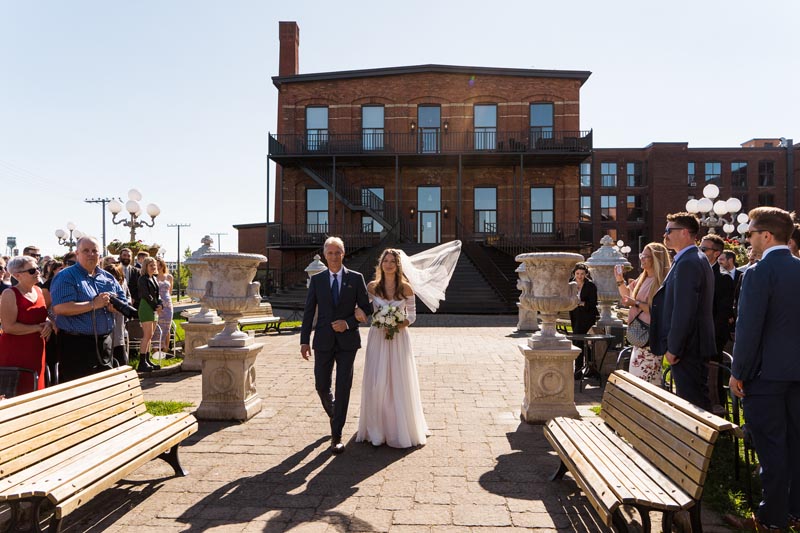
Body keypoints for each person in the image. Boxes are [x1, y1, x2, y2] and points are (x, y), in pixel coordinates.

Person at [729, 207, 800, 531]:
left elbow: (749, 329)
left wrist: (738, 371)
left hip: (765, 378)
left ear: (767, 235)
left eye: (751, 233)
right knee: (796, 446)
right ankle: (795, 512)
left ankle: (771, 518)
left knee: (771, 450)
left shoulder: (758, 273)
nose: (748, 239)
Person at [300, 237, 371, 454]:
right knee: (321, 385)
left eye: (337, 252)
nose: (333, 257)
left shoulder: (356, 279)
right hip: (322, 341)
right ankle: (335, 414)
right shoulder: (318, 280)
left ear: (343, 254)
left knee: (343, 387)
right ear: (324, 255)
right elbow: (309, 310)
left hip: (348, 342)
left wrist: (348, 323)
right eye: (329, 253)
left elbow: (367, 309)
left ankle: (336, 435)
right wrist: (304, 340)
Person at [356, 250, 423, 448]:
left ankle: (398, 429)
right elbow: (363, 309)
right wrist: (360, 312)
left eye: (393, 261)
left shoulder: (407, 289)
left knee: (398, 381)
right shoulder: (372, 287)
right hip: (378, 337)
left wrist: (397, 324)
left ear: (398, 265)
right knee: (378, 381)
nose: (389, 264)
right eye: (385, 260)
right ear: (381, 264)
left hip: (398, 339)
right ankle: (376, 429)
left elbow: (412, 316)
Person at [650, 212, 715, 409]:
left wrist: (674, 348)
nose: (665, 235)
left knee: (693, 405)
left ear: (685, 232)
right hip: (691, 346)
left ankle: (708, 440)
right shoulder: (691, 259)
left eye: (669, 230)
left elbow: (684, 310)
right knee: (692, 402)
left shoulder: (689, 262)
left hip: (688, 349)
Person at [51, 236, 127, 382]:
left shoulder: (108, 277)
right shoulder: (66, 276)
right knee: (79, 392)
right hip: (76, 344)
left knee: (104, 388)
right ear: (77, 253)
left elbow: (124, 302)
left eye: (94, 251)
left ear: (100, 254)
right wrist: (93, 304)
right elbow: (60, 308)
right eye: (86, 250)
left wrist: (115, 307)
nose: (91, 254)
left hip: (105, 342)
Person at [614, 243, 671, 385]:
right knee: (640, 381)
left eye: (646, 256)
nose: (642, 259)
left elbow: (658, 310)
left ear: (656, 259)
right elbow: (627, 295)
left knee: (644, 383)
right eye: (641, 256)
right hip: (639, 337)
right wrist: (619, 279)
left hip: (651, 337)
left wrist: (636, 304)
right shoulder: (643, 277)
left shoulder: (661, 281)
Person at [0, 256, 52, 394]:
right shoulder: (9, 293)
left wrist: (48, 323)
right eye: (32, 271)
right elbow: (8, 326)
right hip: (15, 352)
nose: (37, 272)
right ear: (17, 275)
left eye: (38, 269)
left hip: (37, 349)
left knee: (36, 390)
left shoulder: (39, 291)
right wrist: (37, 328)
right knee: (17, 393)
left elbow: (42, 315)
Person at [568, 263, 599, 380]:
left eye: (582, 274)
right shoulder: (571, 284)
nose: (580, 276)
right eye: (577, 274)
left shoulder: (590, 286)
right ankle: (584, 369)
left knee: (582, 343)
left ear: (586, 274)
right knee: (579, 342)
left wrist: (581, 303)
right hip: (575, 316)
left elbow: (593, 303)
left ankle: (581, 370)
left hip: (587, 317)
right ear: (574, 274)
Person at [136, 257, 162, 372]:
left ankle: (147, 360)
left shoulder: (154, 278)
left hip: (155, 308)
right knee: (147, 335)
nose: (153, 267)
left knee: (150, 336)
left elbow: (158, 295)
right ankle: (142, 363)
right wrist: (156, 306)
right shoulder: (143, 279)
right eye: (151, 265)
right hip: (146, 307)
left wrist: (161, 304)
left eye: (154, 265)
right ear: (145, 267)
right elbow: (146, 295)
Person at [104, 262, 130, 366]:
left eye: (116, 278)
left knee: (122, 362)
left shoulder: (121, 288)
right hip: (105, 336)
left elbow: (127, 300)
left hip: (118, 334)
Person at [155, 257, 174, 358]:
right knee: (157, 327)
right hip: (158, 304)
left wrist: (167, 301)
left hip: (168, 304)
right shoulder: (153, 277)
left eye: (159, 265)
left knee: (167, 326)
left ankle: (166, 349)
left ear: (163, 265)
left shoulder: (169, 277)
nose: (158, 267)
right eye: (156, 265)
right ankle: (156, 350)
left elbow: (170, 291)